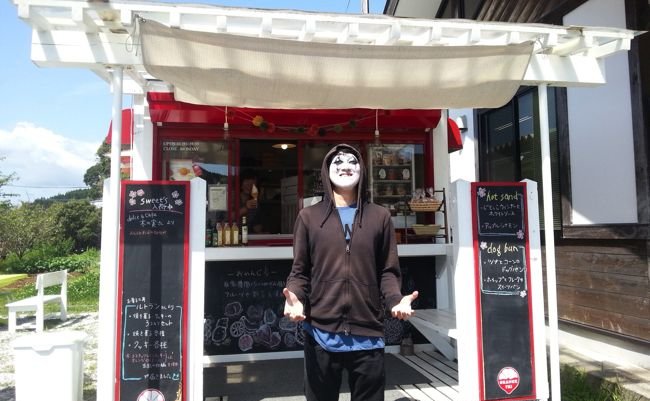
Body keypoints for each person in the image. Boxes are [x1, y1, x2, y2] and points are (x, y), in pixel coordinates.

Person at [283, 144, 418, 401]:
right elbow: (300, 271)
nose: (345, 166)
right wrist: (296, 298)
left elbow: (388, 271)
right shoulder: (309, 217)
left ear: (362, 170)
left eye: (352, 162)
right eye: (338, 162)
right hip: (321, 333)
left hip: (368, 334)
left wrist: (394, 300)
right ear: (326, 171)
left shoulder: (380, 216)